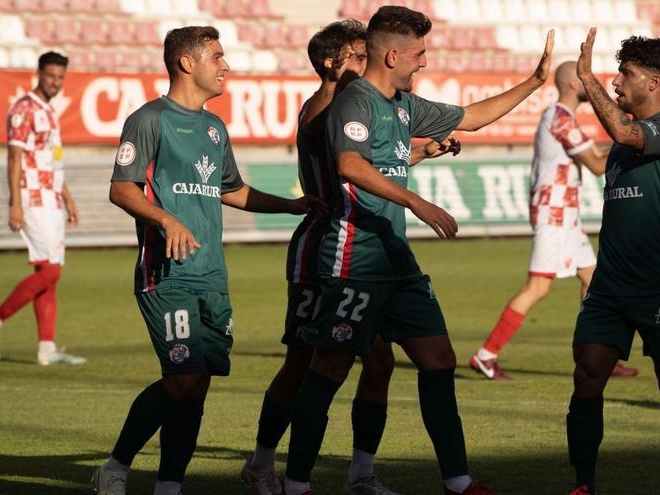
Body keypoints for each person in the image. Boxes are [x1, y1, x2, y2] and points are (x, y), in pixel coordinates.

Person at [282, 7, 553, 495]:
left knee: (438, 359)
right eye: (419, 53)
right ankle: (296, 485)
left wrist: (534, 81)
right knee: (330, 368)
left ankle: (456, 481)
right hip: (354, 259)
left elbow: (471, 117)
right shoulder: (354, 102)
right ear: (391, 55)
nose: (424, 62)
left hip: (395, 258)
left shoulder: (403, 103)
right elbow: (349, 164)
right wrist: (417, 201)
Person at [90, 26, 322, 495]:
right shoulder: (148, 119)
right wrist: (166, 221)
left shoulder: (215, 127)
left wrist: (291, 204)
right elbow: (121, 188)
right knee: (183, 378)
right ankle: (115, 466)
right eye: (217, 56)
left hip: (212, 276)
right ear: (187, 63)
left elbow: (231, 189)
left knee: (197, 386)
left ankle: (169, 486)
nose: (226, 65)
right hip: (166, 274)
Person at [241, 19, 460, 495]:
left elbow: (374, 159)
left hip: (361, 245)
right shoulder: (326, 108)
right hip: (328, 244)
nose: (364, 66)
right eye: (357, 57)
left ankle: (359, 474)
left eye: (367, 57)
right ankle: (263, 462)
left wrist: (419, 150)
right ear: (330, 63)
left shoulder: (352, 105)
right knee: (307, 362)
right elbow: (354, 163)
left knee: (376, 363)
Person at [566, 28, 660, 495]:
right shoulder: (621, 146)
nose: (616, 83)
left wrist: (585, 76)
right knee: (587, 377)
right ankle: (584, 486)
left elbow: (620, 127)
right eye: (614, 75)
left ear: (653, 83)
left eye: (625, 75)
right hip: (610, 286)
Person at [469, 61, 639, 381]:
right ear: (573, 85)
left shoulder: (561, 116)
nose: (591, 85)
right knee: (538, 287)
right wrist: (633, 137)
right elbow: (598, 165)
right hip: (555, 213)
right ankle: (485, 355)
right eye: (585, 80)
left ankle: (599, 357)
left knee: (596, 283)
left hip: (565, 215)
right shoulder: (561, 118)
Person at [0, 51, 84, 366]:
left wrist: (68, 198)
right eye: (51, 75)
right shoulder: (23, 109)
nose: (55, 82)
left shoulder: (49, 111)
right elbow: (15, 157)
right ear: (38, 73)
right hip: (32, 199)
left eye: (60, 77)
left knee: (47, 273)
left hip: (51, 199)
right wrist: (15, 204)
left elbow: (51, 161)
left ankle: (46, 348)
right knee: (51, 270)